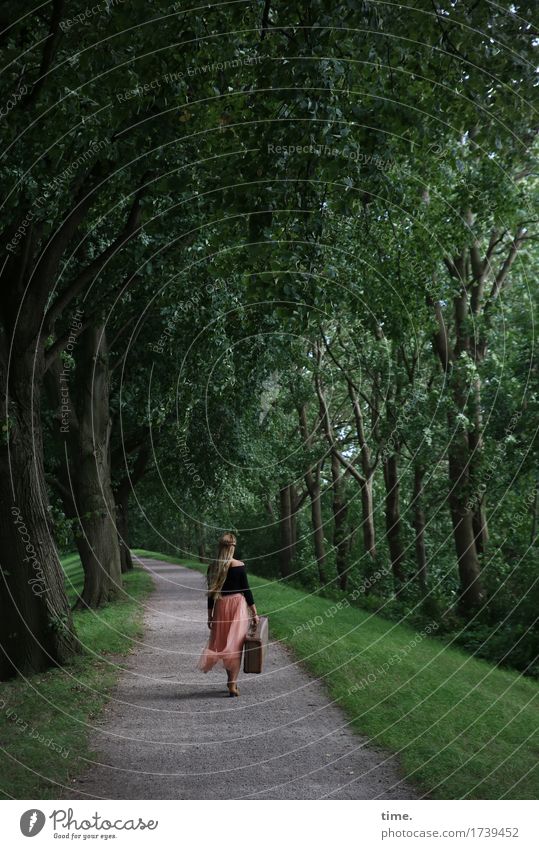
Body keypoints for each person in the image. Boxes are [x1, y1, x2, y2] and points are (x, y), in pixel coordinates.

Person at [197, 532, 259, 696]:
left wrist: (209, 615)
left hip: (221, 607)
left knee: (226, 644)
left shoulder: (213, 567)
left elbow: (211, 594)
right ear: (232, 547)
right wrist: (254, 613)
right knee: (235, 645)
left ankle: (231, 681)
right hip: (237, 607)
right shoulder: (239, 565)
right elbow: (247, 591)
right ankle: (232, 683)